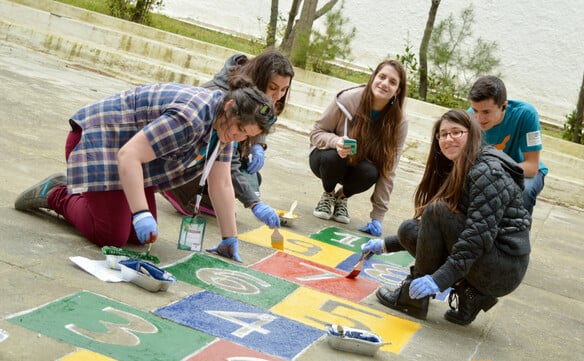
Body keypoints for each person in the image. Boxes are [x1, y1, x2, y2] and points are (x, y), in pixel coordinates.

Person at [14, 75, 274, 263]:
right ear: (230, 107)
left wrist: (230, 237)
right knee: (111, 235)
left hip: (134, 160)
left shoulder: (224, 127)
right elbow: (128, 154)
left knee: (141, 238)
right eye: (240, 129)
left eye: (247, 136)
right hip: (99, 143)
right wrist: (140, 212)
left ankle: (95, 199)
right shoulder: (191, 117)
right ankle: (57, 192)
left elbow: (222, 182)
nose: (239, 137)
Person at [363, 109, 531, 325]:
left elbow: (476, 237)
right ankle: (471, 294)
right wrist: (385, 245)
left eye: (456, 132)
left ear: (472, 135)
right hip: (488, 256)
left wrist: (438, 280)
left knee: (436, 210)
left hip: (504, 268)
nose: (448, 139)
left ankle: (414, 299)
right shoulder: (461, 166)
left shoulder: (487, 173)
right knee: (409, 230)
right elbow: (437, 231)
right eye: (443, 134)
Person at [161, 49, 294, 229]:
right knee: (234, 178)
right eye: (273, 88)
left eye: (284, 90)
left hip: (204, 149)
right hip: (178, 152)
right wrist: (254, 203)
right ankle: (179, 190)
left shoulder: (254, 97)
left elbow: (257, 121)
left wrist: (259, 145)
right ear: (261, 80)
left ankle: (202, 197)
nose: (278, 96)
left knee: (251, 178)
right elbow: (227, 160)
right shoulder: (228, 98)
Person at [308, 59, 409, 236]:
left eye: (392, 82)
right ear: (373, 78)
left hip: (358, 165)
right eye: (382, 77)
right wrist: (336, 142)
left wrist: (378, 216)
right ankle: (328, 194)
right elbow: (317, 133)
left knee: (371, 172)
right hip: (326, 158)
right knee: (333, 157)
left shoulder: (398, 122)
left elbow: (389, 169)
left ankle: (341, 197)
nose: (385, 84)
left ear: (398, 91)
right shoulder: (347, 100)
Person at [467, 75, 548, 216]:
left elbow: (532, 167)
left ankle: (519, 236)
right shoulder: (468, 118)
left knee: (525, 191)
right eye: (475, 110)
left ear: (504, 106)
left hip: (522, 172)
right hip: (487, 172)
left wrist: (493, 172)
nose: (479, 118)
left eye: (486, 112)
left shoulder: (526, 114)